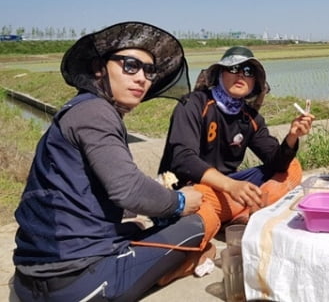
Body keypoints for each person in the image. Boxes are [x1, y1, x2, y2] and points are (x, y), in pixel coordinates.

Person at [13, 21, 206, 301]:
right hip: (70, 281)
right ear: (99, 69)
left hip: (34, 272)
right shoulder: (96, 112)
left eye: (149, 70)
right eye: (130, 65)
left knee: (138, 226)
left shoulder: (80, 108)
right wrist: (180, 201)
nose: (141, 77)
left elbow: (92, 192)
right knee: (194, 227)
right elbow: (128, 190)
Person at [158, 45, 313, 263]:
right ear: (220, 74)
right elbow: (183, 159)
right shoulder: (194, 104)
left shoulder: (249, 118)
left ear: (254, 84)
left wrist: (292, 136)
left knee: (292, 167)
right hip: (191, 190)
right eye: (234, 68)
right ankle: (237, 214)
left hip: (228, 190)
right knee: (201, 201)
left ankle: (240, 213)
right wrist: (231, 186)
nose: (241, 75)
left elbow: (275, 161)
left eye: (249, 72)